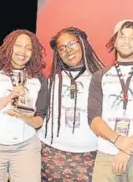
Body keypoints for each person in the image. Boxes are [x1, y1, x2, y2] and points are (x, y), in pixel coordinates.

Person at [88, 19, 133, 182]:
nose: (126, 41)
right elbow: (93, 118)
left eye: (132, 37)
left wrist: (127, 149)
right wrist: (118, 140)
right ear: (114, 42)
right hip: (106, 153)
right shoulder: (99, 76)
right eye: (122, 37)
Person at [0, 29, 48, 182]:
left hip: (26, 147)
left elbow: (39, 119)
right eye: (18, 46)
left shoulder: (39, 80)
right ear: (9, 47)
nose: (23, 51)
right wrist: (9, 97)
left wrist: (25, 118)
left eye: (28, 48)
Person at [38, 27, 105, 182]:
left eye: (72, 44)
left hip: (89, 156)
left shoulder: (100, 79)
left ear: (83, 45)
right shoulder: (52, 81)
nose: (68, 50)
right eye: (62, 48)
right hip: (51, 155)